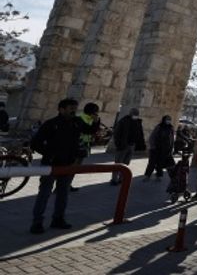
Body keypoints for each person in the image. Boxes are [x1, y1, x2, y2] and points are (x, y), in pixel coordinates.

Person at [29, 98, 98, 234]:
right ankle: (37, 222)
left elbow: (89, 131)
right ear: (61, 109)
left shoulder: (77, 123)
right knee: (44, 194)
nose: (73, 111)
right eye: (70, 108)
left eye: (75, 108)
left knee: (63, 194)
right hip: (51, 165)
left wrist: (95, 122)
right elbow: (35, 143)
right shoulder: (51, 124)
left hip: (68, 165)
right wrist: (50, 154)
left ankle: (58, 219)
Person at [69, 102, 100, 192]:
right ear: (93, 112)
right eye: (96, 112)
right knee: (72, 166)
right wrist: (96, 122)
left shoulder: (89, 119)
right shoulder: (80, 118)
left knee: (76, 167)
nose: (97, 114)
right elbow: (90, 131)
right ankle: (63, 185)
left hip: (84, 145)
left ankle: (68, 184)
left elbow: (94, 131)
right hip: (77, 146)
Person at [109, 108, 145, 185]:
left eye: (137, 114)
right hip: (123, 145)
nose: (136, 116)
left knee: (126, 163)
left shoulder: (138, 122)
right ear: (131, 114)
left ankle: (121, 178)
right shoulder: (123, 121)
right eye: (135, 114)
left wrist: (141, 145)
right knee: (118, 163)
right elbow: (117, 133)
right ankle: (114, 179)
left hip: (132, 145)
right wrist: (118, 144)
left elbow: (140, 134)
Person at [144, 116, 175, 181]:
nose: (168, 121)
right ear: (164, 120)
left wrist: (171, 148)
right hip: (156, 148)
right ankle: (147, 176)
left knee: (160, 163)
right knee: (152, 163)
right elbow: (152, 137)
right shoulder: (159, 127)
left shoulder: (171, 128)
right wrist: (153, 146)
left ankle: (158, 176)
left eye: (169, 120)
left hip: (165, 149)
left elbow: (172, 139)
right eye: (167, 120)